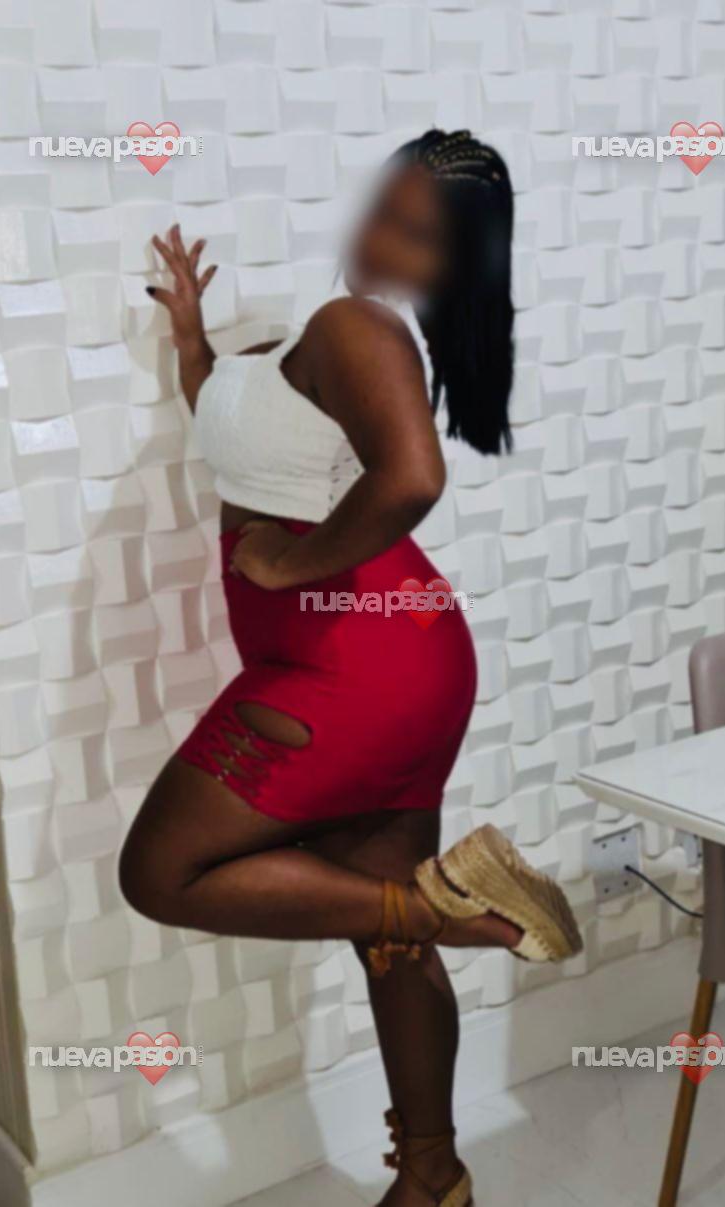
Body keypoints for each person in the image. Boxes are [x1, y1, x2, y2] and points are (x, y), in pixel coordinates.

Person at [120, 129, 582, 1207]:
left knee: (160, 872)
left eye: (416, 234)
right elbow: (244, 433)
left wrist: (288, 563)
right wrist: (192, 346)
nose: (381, 239)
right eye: (384, 207)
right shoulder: (319, 334)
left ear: (447, 265)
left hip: (349, 658)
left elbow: (411, 477)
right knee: (380, 928)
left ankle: (447, 909)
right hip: (387, 652)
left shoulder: (356, 325)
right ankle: (432, 1175)